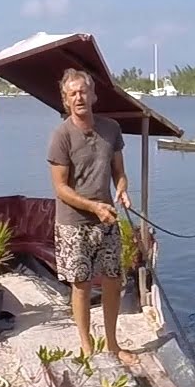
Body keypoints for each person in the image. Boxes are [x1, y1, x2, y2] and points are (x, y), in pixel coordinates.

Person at [47, 67, 133, 363]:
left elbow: (119, 173)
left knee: (113, 280)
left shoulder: (111, 129)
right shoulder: (61, 136)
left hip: (107, 218)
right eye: (72, 94)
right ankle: (86, 346)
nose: (79, 97)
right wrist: (93, 206)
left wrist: (122, 190)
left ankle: (113, 344)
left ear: (93, 95)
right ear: (66, 100)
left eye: (83, 91)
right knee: (81, 285)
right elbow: (60, 187)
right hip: (74, 223)